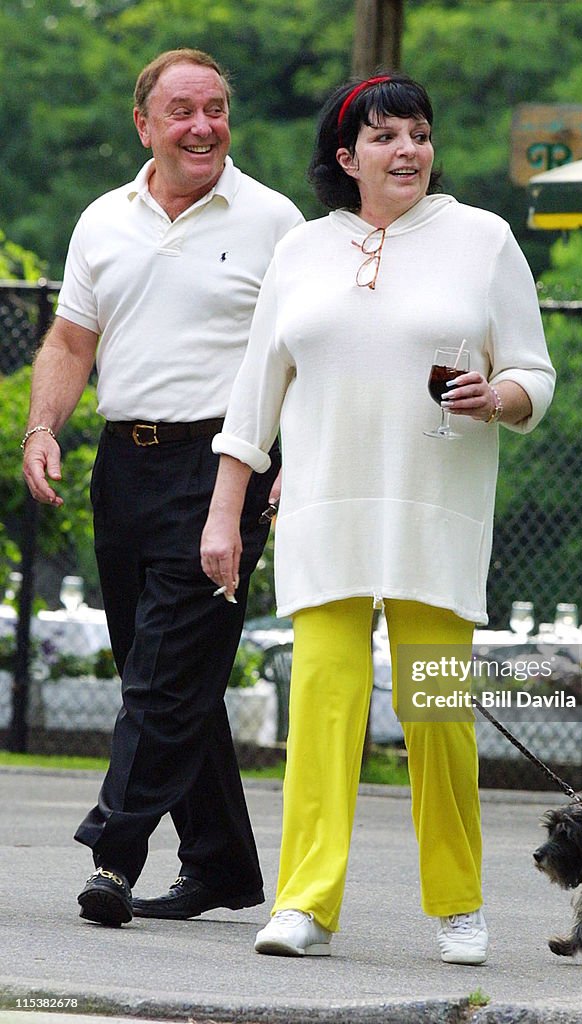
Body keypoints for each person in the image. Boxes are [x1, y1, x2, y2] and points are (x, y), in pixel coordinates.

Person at [201, 72, 555, 965]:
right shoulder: (300, 251)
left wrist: (500, 396)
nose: (408, 151)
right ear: (345, 154)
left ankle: (459, 907)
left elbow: (534, 373)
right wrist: (225, 515)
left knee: (436, 714)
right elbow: (254, 399)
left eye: (421, 134)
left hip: (435, 513)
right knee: (321, 709)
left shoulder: (483, 239)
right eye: (387, 136)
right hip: (323, 513)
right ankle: (304, 904)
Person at [21, 48, 303, 926]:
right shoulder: (103, 220)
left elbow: (306, 354)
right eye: (182, 110)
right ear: (143, 125)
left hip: (225, 467)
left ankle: (114, 853)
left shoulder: (275, 221)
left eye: (215, 108)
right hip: (123, 468)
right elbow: (72, 342)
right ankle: (219, 864)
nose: (202, 126)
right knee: (172, 676)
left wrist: (294, 456)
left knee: (161, 679)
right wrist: (43, 428)